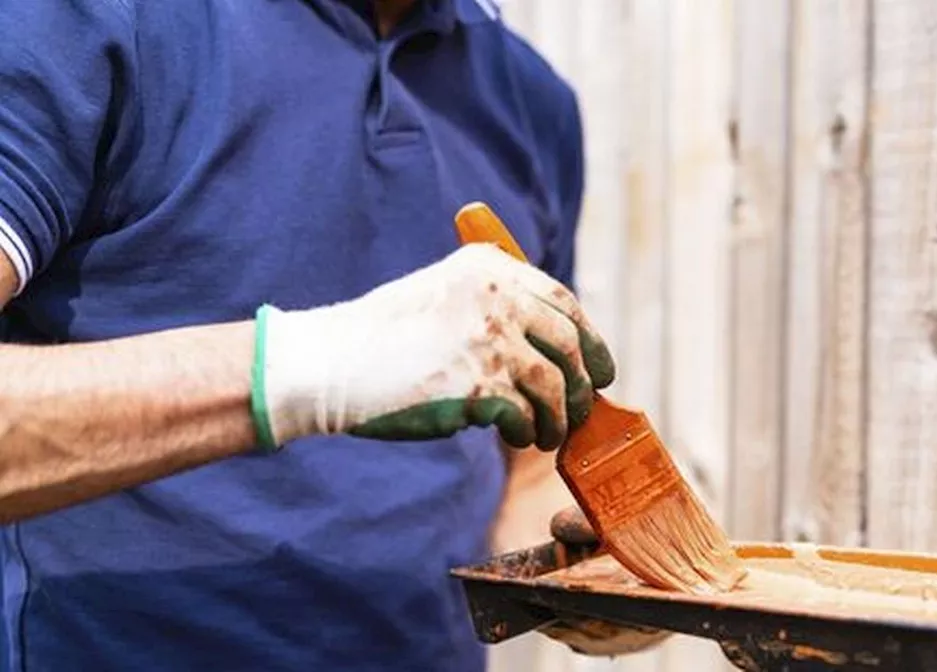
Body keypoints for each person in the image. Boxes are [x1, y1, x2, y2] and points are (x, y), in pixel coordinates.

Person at [0, 0, 666, 668]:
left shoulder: (531, 101)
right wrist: (316, 369)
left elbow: (524, 470)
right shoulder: (88, 23)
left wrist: (601, 578)